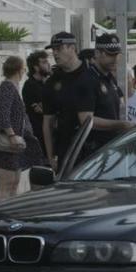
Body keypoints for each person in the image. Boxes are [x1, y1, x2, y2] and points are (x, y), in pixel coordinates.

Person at [77, 34, 134, 159]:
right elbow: (86, 120)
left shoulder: (108, 78)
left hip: (110, 147)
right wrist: (120, 124)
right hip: (94, 152)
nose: (114, 59)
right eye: (110, 54)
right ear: (97, 53)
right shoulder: (88, 80)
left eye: (116, 55)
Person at [0, 57, 44, 200]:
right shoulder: (7, 87)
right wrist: (11, 135)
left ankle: (11, 214)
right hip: (8, 144)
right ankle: (1, 216)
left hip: (15, 146)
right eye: (24, 68)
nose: (25, 71)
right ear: (18, 69)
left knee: (14, 182)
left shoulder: (13, 87)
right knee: (7, 183)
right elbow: (2, 114)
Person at [42, 32, 89, 172]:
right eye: (53, 50)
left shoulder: (91, 73)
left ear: (72, 48)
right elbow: (47, 122)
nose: (55, 53)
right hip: (67, 150)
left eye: (59, 49)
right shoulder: (52, 82)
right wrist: (50, 158)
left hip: (94, 148)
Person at [22, 50, 51, 146]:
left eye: (47, 61)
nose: (48, 64)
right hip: (38, 134)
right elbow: (45, 108)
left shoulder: (45, 84)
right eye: (44, 62)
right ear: (36, 67)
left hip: (49, 131)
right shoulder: (30, 85)